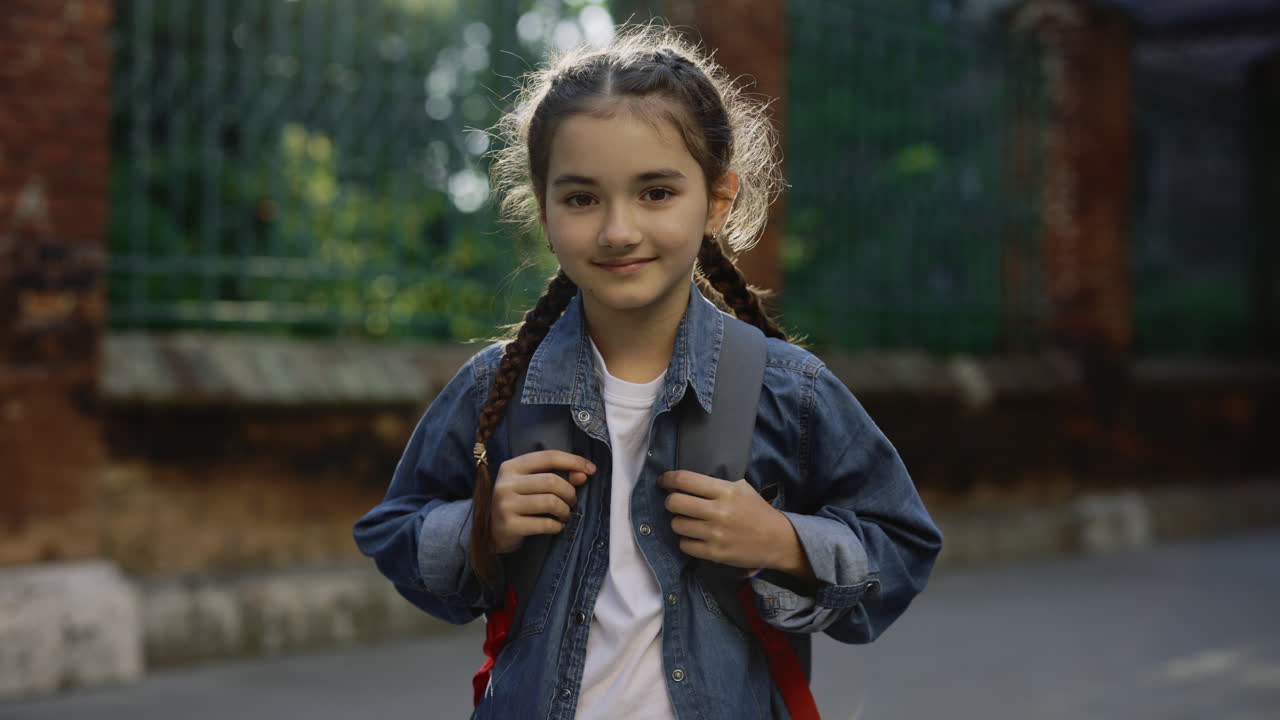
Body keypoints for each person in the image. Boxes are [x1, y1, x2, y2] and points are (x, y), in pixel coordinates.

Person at [353, 22, 942, 720]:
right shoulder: (499, 385)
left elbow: (902, 546)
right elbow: (395, 531)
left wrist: (783, 541)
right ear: (543, 209)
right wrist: (482, 524)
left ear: (717, 201)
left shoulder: (788, 388)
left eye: (656, 192)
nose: (618, 230)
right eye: (581, 198)